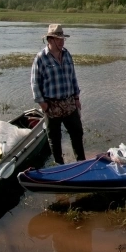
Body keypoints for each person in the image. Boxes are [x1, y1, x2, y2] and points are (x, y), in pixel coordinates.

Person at [31, 24, 85, 164]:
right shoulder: (40, 58)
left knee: (77, 134)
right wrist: (43, 105)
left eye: (62, 38)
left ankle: (81, 163)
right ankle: (59, 167)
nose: (61, 41)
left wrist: (76, 98)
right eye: (58, 38)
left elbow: (73, 77)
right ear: (49, 40)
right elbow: (35, 83)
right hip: (51, 105)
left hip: (69, 104)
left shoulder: (67, 55)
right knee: (54, 140)